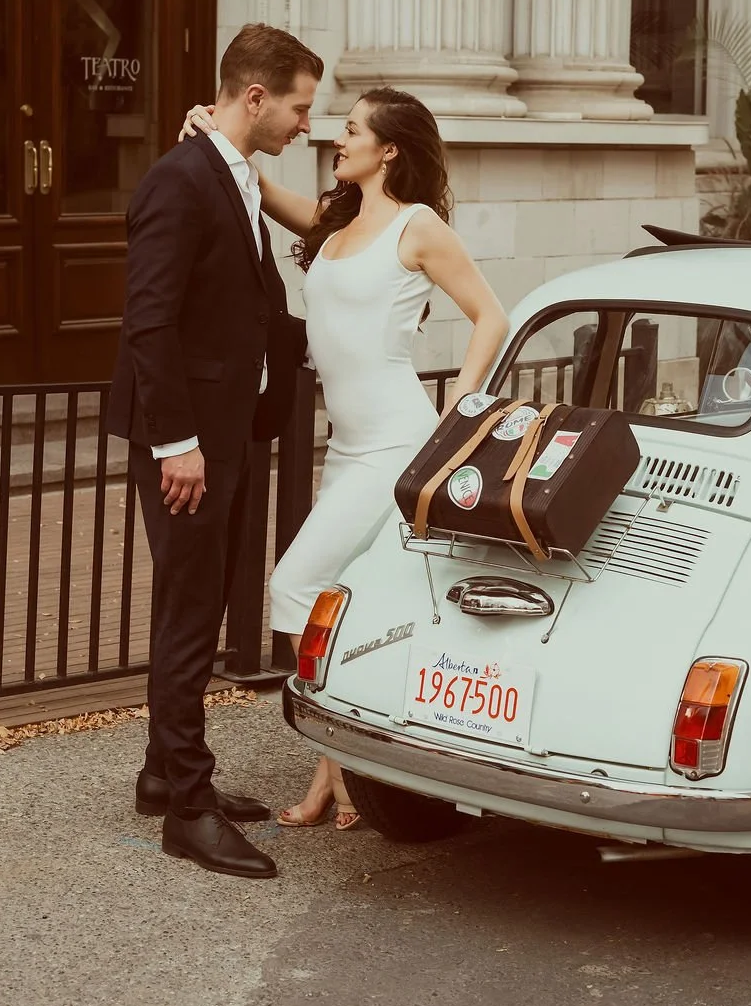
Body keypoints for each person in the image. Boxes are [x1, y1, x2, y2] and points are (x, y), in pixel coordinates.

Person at [180, 86, 509, 830]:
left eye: (354, 129)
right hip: (347, 446)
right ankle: (338, 768)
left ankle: (339, 759)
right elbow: (256, 188)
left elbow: (492, 313)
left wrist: (463, 399)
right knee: (342, 603)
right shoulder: (337, 221)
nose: (338, 136)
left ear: (389, 148)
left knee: (295, 585)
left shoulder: (417, 226)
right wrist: (212, 131)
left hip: (395, 442)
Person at [107, 23, 323, 880]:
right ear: (257, 96)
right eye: (301, 107)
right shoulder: (179, 179)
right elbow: (148, 322)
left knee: (193, 604)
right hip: (189, 443)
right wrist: (178, 444)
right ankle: (188, 811)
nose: (308, 124)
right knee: (191, 616)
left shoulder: (229, 170)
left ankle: (165, 774)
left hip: (226, 431)